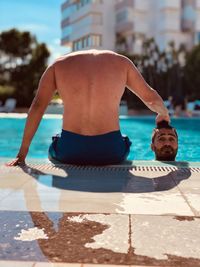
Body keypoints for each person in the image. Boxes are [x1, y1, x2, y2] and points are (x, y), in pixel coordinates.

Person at [7, 49, 170, 166]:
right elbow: (150, 98)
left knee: (55, 142)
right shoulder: (122, 63)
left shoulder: (58, 65)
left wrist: (22, 154)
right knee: (125, 140)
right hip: (111, 151)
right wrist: (164, 114)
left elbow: (37, 106)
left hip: (69, 151)